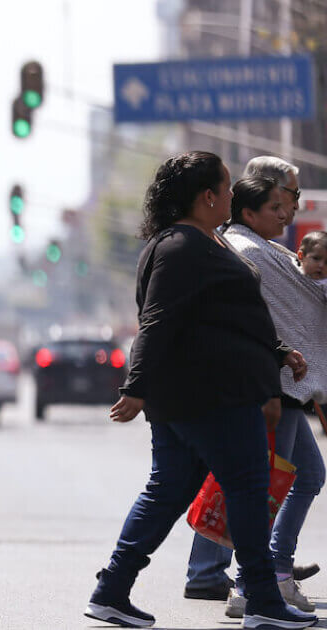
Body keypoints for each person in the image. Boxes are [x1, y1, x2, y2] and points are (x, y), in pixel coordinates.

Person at [83, 151, 316, 629]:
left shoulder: (202, 241)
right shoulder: (180, 247)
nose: (233, 195)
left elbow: (222, 318)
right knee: (249, 488)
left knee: (168, 491)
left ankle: (111, 590)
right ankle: (263, 603)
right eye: (228, 187)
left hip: (200, 394)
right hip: (212, 396)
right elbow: (158, 319)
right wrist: (136, 386)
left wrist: (275, 352)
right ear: (207, 196)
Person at [180, 176, 327, 618]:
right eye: (277, 207)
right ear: (249, 213)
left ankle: (272, 571)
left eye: (290, 206)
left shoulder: (265, 251)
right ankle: (253, 584)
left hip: (284, 386)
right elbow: (273, 319)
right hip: (272, 389)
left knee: (302, 475)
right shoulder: (250, 254)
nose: (287, 216)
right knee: (264, 487)